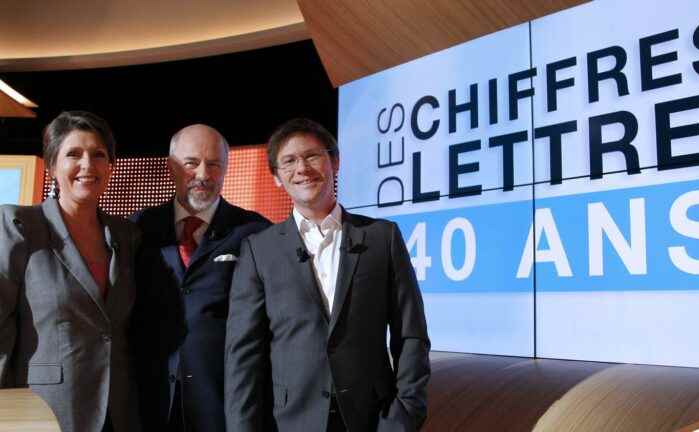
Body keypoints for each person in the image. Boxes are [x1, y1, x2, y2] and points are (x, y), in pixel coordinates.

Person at [225, 118, 431, 432]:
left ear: (334, 161)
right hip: (289, 421)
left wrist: (404, 416)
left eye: (312, 156)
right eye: (289, 161)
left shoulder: (381, 237)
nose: (302, 168)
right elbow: (243, 354)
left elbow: (411, 334)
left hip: (373, 419)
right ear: (277, 178)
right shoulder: (258, 250)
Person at [0, 111, 142, 432]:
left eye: (98, 155)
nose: (87, 165)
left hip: (118, 411)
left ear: (111, 166)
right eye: (73, 154)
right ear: (51, 166)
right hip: (45, 410)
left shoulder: (127, 236)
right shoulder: (20, 225)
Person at [130, 124, 270, 432]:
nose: (203, 174)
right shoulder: (137, 229)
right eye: (191, 163)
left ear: (226, 169)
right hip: (147, 405)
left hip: (223, 407)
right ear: (171, 167)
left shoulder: (255, 232)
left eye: (214, 164)